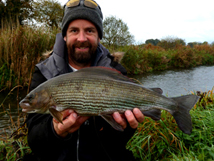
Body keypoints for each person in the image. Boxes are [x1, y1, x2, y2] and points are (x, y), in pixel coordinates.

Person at [26, 0, 144, 160]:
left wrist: (125, 127)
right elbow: (34, 141)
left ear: (99, 37)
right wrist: (55, 131)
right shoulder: (44, 72)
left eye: (89, 31)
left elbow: (117, 144)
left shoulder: (115, 71)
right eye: (74, 30)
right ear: (65, 36)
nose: (81, 38)